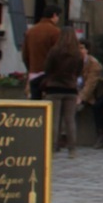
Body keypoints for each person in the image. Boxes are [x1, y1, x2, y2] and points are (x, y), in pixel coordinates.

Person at [39, 26, 83, 156]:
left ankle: (52, 147)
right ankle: (72, 149)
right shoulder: (77, 54)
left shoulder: (55, 51)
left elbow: (47, 68)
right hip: (71, 88)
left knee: (54, 119)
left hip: (54, 87)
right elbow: (79, 71)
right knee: (70, 119)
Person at [21, 3, 61, 99]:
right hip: (50, 75)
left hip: (34, 73)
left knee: (36, 105)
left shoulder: (31, 31)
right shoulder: (55, 32)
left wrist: (30, 68)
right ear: (54, 15)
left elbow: (25, 55)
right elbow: (58, 54)